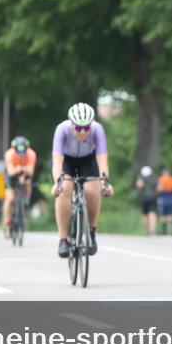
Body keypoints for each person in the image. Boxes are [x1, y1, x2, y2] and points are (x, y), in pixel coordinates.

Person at [51, 103, 113, 258]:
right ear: (72, 124)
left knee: (93, 190)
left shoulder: (98, 129)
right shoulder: (62, 129)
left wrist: (105, 182)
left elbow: (102, 160)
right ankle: (63, 239)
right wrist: (57, 182)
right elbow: (57, 161)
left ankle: (91, 232)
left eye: (87, 128)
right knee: (65, 188)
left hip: (88, 160)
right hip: (67, 160)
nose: (83, 132)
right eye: (79, 128)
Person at [3, 136, 37, 232]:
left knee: (28, 183)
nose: (21, 154)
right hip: (11, 175)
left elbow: (30, 172)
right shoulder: (9, 154)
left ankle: (25, 202)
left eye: (23, 151)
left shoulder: (31, 154)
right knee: (10, 199)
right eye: (18, 151)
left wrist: (22, 170)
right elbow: (10, 172)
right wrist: (20, 169)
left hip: (23, 173)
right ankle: (8, 225)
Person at [135, 166, 158, 235]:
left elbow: (139, 185)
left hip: (144, 197)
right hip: (153, 197)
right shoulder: (153, 178)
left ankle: (146, 231)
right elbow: (159, 188)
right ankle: (152, 228)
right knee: (152, 212)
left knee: (145, 214)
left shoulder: (141, 177)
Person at [156, 167, 172, 235]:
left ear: (164, 173)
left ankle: (164, 230)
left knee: (163, 214)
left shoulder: (161, 179)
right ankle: (171, 230)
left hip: (163, 196)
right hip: (171, 196)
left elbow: (159, 189)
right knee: (170, 214)